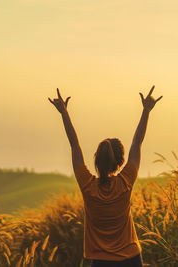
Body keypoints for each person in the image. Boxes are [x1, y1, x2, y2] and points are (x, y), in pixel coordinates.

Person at [48, 86, 162, 267]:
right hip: (132, 259)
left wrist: (64, 113)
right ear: (120, 162)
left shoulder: (87, 185)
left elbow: (74, 145)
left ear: (97, 160)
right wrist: (146, 111)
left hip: (101, 261)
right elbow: (137, 143)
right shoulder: (125, 181)